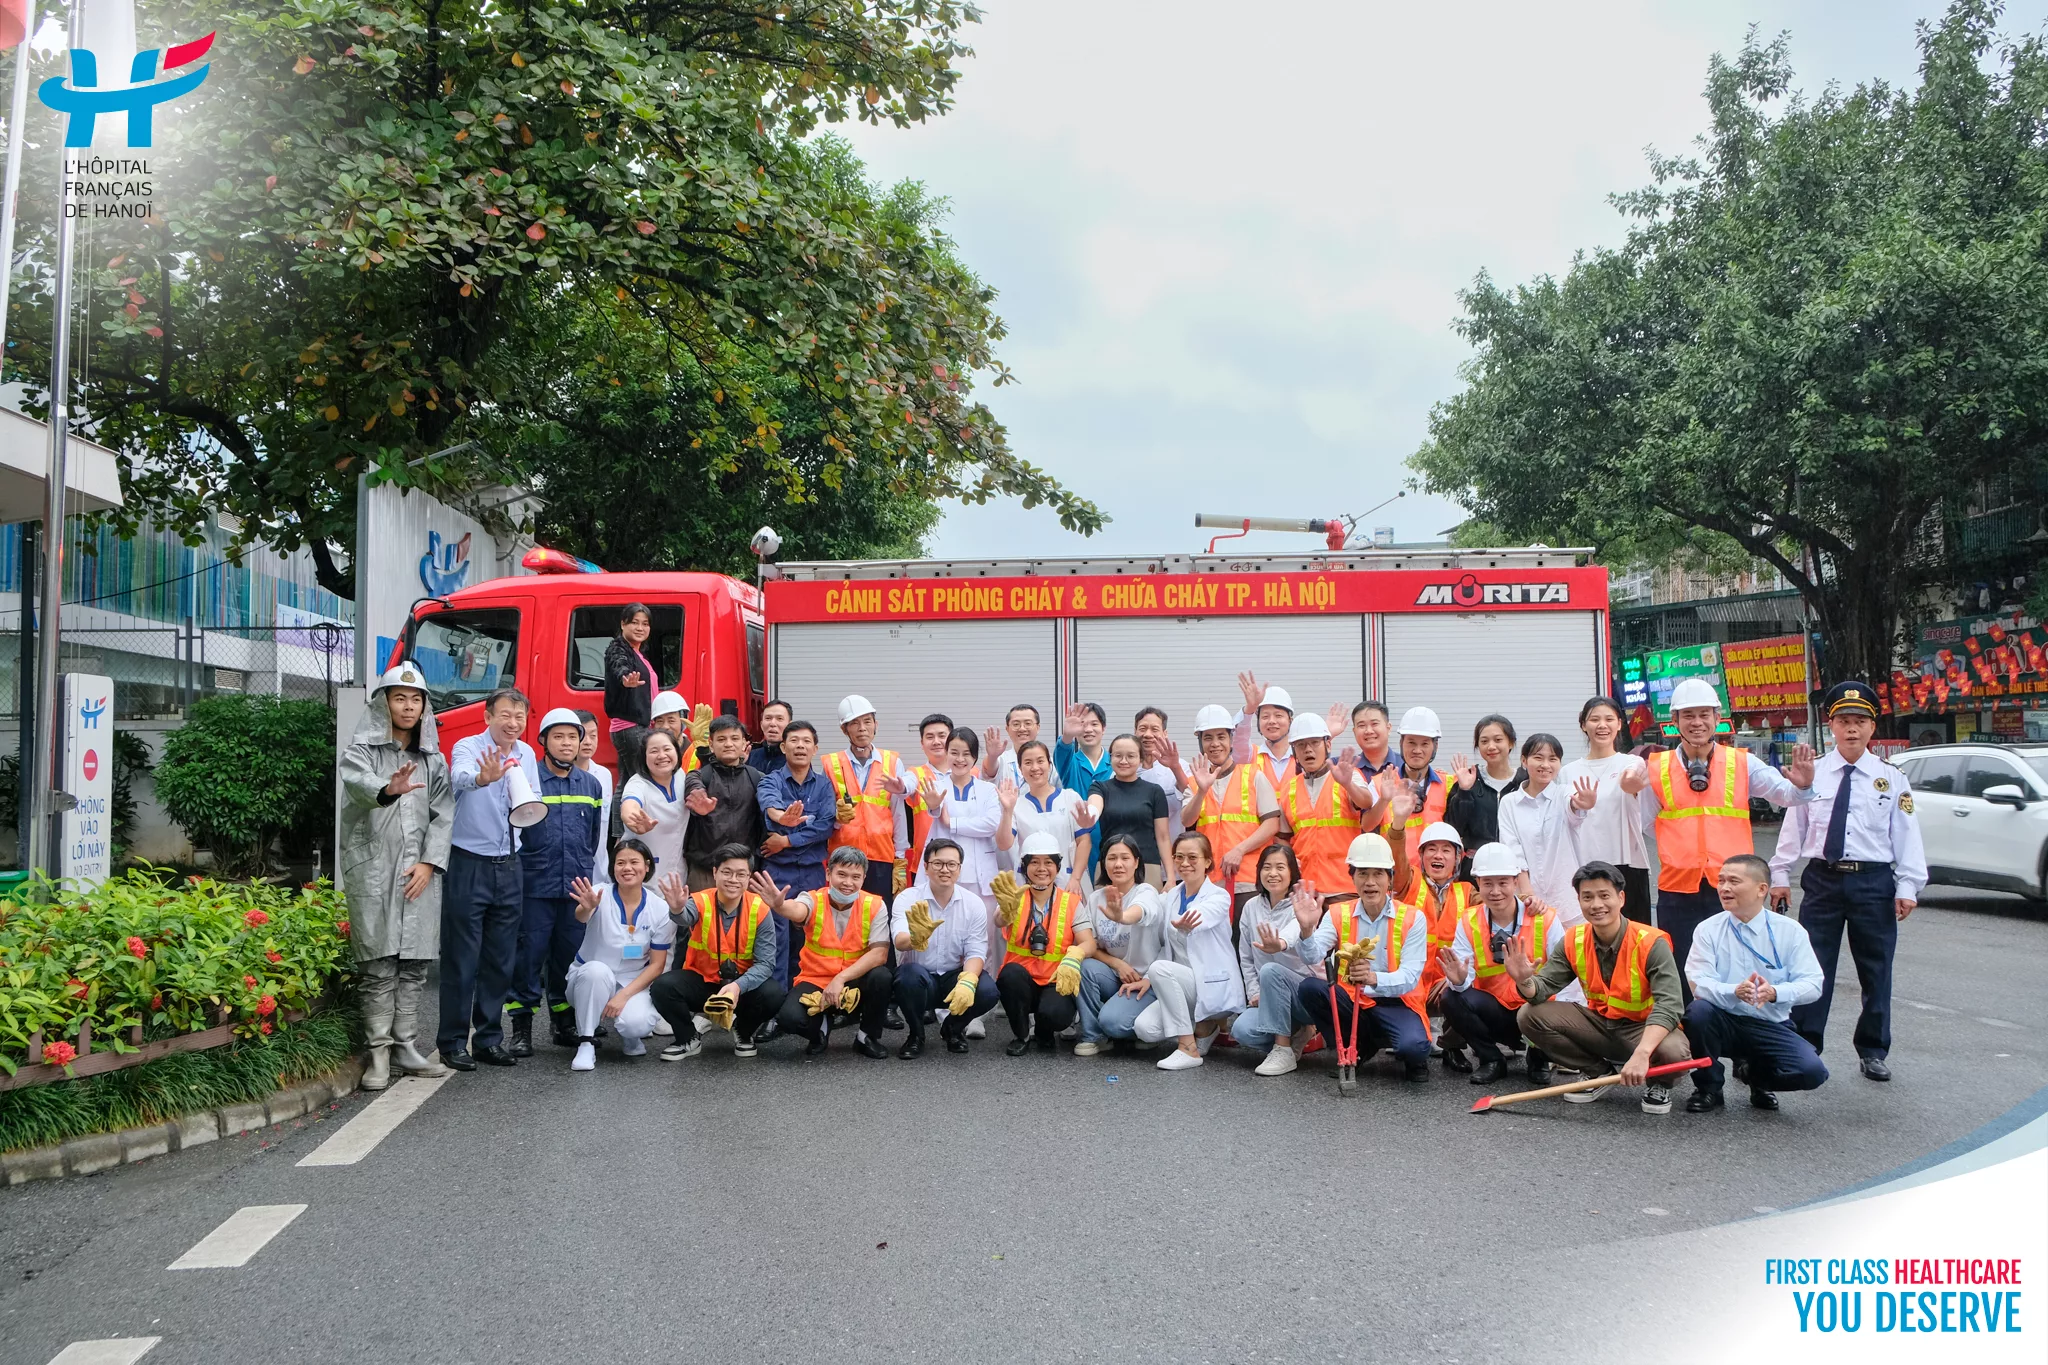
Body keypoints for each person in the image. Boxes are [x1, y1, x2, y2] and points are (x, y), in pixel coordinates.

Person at [1769, 680, 1926, 1084]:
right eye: (1843, 721)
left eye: (1860, 721)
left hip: (1874, 882)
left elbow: (1906, 835)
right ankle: (1806, 1043)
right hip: (1823, 879)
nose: (1851, 729)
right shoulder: (1815, 773)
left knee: (1876, 969)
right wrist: (1780, 873)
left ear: (1872, 727)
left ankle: (1873, 1049)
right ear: (1832, 726)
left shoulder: (1891, 778)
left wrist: (1908, 886)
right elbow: (1795, 826)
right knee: (1812, 964)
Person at [1627, 676, 1815, 986]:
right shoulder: (1656, 767)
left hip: (1733, 887)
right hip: (1678, 889)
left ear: (1717, 718)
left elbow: (1786, 795)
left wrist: (1804, 785)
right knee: (1683, 969)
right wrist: (1680, 848)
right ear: (1674, 721)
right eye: (1688, 715)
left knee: (1739, 967)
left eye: (1704, 714)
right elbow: (1648, 822)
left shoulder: (1742, 763)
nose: (1697, 722)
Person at [339, 662, 453, 1090]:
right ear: (383, 704)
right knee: (378, 965)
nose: (408, 706)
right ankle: (378, 1053)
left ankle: (406, 1046)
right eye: (399, 698)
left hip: (419, 873)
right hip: (374, 871)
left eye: (415, 699)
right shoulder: (361, 752)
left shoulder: (433, 761)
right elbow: (359, 785)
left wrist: (429, 862)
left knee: (415, 965)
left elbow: (444, 814)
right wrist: (389, 789)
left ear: (424, 707)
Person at [1509, 861, 1693, 1114]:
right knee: (1529, 1015)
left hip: (1642, 1029)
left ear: (1621, 898)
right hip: (1599, 1025)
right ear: (1579, 901)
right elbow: (1542, 989)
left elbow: (1670, 1005)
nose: (1596, 905)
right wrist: (1523, 980)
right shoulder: (1574, 939)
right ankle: (1598, 1073)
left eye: (1604, 896)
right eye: (1587, 897)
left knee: (1675, 1052)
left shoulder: (1651, 942)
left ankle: (1659, 1084)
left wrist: (1643, 1052)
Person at [1682, 854, 1829, 1112]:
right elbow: (1698, 982)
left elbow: (1814, 984)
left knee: (1812, 1072)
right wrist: (1734, 991)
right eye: (1721, 881)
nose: (1724, 888)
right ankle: (1709, 1088)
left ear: (1762, 889)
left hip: (1769, 1022)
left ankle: (1757, 1078)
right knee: (1698, 1012)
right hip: (1723, 1019)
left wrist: (1775, 992)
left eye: (1734, 881)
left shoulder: (1790, 931)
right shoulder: (1708, 929)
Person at [439, 688, 535, 1070]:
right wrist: (483, 777)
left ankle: (489, 1040)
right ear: (487, 716)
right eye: (505, 715)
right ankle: (452, 1042)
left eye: (519, 716)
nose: (513, 723)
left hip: (510, 863)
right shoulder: (467, 746)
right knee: (461, 958)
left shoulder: (527, 754)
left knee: (500, 958)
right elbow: (459, 776)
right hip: (469, 863)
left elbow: (533, 800)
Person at [1293, 833, 1433, 1083]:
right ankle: (1357, 1047)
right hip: (1353, 999)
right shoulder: (1337, 913)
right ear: (1352, 878)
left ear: (1390, 879)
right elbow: (1312, 956)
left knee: (1414, 1047)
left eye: (1378, 874)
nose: (1370, 882)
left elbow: (1410, 977)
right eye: (1362, 873)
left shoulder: (1413, 918)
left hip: (1398, 1001)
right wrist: (1305, 930)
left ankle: (1412, 1058)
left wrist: (1373, 978)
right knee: (1310, 989)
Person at [509, 708, 606, 1056]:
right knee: (528, 958)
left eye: (573, 737)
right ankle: (521, 1029)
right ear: (543, 741)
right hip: (535, 885)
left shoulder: (591, 785)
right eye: (558, 736)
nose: (567, 743)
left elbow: (592, 837)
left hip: (575, 888)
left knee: (568, 959)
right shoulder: (527, 780)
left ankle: (564, 1024)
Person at [1435, 841, 1564, 1085]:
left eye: (1503, 883)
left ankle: (1539, 1057)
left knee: (1547, 1006)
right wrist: (1460, 980)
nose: (1495, 891)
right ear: (1478, 883)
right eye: (1487, 883)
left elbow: (1565, 976)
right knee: (1451, 997)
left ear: (1516, 882)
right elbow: (1463, 977)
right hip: (1495, 1011)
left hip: (1537, 1009)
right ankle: (1491, 1060)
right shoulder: (1469, 920)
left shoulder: (1545, 918)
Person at [650, 844, 787, 1060]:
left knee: (774, 994)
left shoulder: (760, 909)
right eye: (727, 872)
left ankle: (743, 1033)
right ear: (715, 873)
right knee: (662, 987)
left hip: (741, 987)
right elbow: (685, 916)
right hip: (703, 982)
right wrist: (676, 909)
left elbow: (766, 964)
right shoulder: (700, 900)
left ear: (748, 877)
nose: (733, 879)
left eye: (740, 874)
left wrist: (737, 987)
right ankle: (687, 1038)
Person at [759, 847, 894, 1058]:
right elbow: (798, 910)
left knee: (882, 976)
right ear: (828, 874)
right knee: (788, 1019)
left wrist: (841, 979)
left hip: (855, 979)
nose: (848, 883)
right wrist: (781, 907)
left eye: (855, 877)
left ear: (864, 878)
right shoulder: (813, 899)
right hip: (815, 979)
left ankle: (866, 1037)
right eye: (842, 874)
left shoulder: (875, 904)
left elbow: (879, 954)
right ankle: (820, 1029)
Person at [563, 839, 673, 1071]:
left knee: (638, 1024)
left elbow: (657, 965)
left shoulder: (659, 908)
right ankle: (586, 1043)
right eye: (620, 863)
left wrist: (623, 996)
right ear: (613, 867)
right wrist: (587, 907)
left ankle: (630, 1036)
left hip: (631, 981)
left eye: (634, 862)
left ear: (646, 867)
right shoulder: (598, 893)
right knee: (596, 971)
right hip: (588, 979)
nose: (627, 868)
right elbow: (581, 916)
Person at [889, 836, 1000, 1057]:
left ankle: (953, 1029)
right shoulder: (907, 898)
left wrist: (968, 981)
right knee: (908, 978)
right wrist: (915, 938)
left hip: (953, 976)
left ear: (959, 869)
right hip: (920, 978)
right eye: (938, 863)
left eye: (951, 864)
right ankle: (916, 1035)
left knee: (988, 991)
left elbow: (976, 950)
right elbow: (899, 942)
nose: (945, 870)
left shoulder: (973, 903)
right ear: (926, 867)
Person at [1141, 833, 1244, 1071]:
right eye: (1179, 857)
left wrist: (1187, 922)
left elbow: (1203, 915)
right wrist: (1121, 915)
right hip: (1182, 985)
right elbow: (1153, 917)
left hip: (1211, 984)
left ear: (1207, 861)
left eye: (1192, 857)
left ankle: (1188, 1048)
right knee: (1146, 1029)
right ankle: (1204, 1028)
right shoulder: (1171, 896)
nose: (1184, 863)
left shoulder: (1219, 896)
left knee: (1160, 969)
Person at [988, 832, 1094, 1054]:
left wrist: (1075, 955)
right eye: (1034, 862)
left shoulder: (1071, 902)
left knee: (1056, 1014)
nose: (1042, 868)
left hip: (1055, 979)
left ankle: (1044, 1032)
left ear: (1057, 867)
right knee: (1009, 975)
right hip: (1021, 980)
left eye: (1048, 862)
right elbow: (999, 921)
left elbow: (1089, 943)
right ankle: (1022, 1035)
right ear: (1024, 866)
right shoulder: (1014, 897)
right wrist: (1006, 910)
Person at [1390, 819, 1479, 1070]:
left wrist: (1526, 901)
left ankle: (1452, 1046)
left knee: (1465, 986)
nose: (1438, 855)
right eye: (1431, 849)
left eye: (1446, 850)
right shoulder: (1408, 882)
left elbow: (1498, 902)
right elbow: (1397, 858)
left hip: (1442, 985)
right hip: (1407, 982)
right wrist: (1397, 826)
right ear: (1421, 856)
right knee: (1412, 1046)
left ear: (1457, 858)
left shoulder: (1467, 892)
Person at [1558, 698, 1652, 922]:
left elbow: (1632, 779)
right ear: (1583, 725)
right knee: (1589, 933)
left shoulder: (1631, 763)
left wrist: (1630, 784)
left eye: (1609, 719)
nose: (1602, 725)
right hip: (1585, 866)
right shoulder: (1567, 772)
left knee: (1633, 933)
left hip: (1628, 864)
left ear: (1619, 724)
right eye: (1594, 719)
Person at [1234, 844, 1324, 1077]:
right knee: (1242, 1030)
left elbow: (1294, 931)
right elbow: (1246, 957)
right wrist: (1254, 992)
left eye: (1280, 867)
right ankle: (1301, 1034)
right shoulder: (1251, 907)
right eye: (1267, 867)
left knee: (1272, 970)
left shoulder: (1304, 903)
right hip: (1269, 996)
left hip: (1304, 993)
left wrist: (1280, 943)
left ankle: (1283, 1049)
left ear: (1292, 872)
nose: (1272, 873)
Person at [758, 720, 837, 985]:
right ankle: (776, 997)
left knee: (811, 933)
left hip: (813, 872)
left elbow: (825, 826)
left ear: (815, 748)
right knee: (776, 936)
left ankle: (806, 991)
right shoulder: (771, 780)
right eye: (794, 740)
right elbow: (769, 805)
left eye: (806, 741)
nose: (800, 746)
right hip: (778, 871)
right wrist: (781, 816)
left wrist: (787, 840)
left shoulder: (824, 786)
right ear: (783, 747)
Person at [1074, 835, 1169, 1055]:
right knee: (1083, 965)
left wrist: (1121, 916)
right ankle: (1093, 1036)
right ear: (1104, 863)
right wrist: (1117, 964)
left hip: (1144, 981)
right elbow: (1090, 944)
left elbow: (1141, 911)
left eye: (1125, 858)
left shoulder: (1146, 892)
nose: (1118, 864)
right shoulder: (1096, 898)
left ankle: (1143, 1026)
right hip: (1115, 976)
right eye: (1112, 858)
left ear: (1136, 862)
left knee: (1113, 1023)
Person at [1272, 714, 1387, 894]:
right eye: (1301, 745)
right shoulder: (1289, 789)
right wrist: (1290, 859)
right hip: (1306, 889)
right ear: (1294, 752)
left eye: (1314, 743)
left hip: (1345, 888)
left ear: (1328, 745)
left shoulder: (1347, 775)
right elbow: (1282, 837)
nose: (1308, 750)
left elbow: (1366, 801)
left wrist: (1347, 784)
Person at [1185, 703, 1281, 913]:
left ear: (1231, 740)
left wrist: (1239, 850)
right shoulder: (1194, 783)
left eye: (1221, 736)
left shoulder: (1254, 775)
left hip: (1249, 881)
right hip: (1208, 883)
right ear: (1200, 742)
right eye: (1208, 738)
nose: (1215, 744)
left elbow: (1272, 824)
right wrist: (1201, 791)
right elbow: (1187, 820)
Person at [822, 695, 912, 899]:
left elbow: (898, 813)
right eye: (854, 723)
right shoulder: (831, 764)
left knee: (880, 913)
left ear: (875, 725)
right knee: (844, 912)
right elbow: (824, 814)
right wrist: (837, 818)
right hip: (843, 859)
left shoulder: (892, 762)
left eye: (867, 721)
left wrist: (900, 858)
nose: (862, 728)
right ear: (844, 729)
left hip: (881, 857)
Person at [993, 738, 1093, 895]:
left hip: (1066, 881)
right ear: (1020, 769)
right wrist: (1007, 810)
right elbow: (1004, 844)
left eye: (1040, 761)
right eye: (1028, 763)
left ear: (1049, 764)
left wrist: (1075, 878)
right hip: (1028, 883)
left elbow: (1084, 841)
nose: (1035, 767)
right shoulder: (1016, 804)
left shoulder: (1070, 797)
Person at [1498, 733, 1581, 920]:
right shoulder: (1509, 803)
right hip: (1528, 901)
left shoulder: (1565, 793)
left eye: (1553, 759)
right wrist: (1527, 893)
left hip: (1568, 900)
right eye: (1538, 757)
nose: (1545, 765)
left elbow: (1576, 807)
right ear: (1524, 761)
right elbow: (1512, 849)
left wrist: (1584, 802)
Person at [682, 716, 764, 893]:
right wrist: (700, 799)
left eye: (734, 738)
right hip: (704, 871)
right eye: (721, 739)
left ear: (744, 743)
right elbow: (693, 786)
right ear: (711, 745)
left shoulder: (757, 778)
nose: (728, 744)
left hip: (744, 872)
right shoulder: (699, 776)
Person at [919, 728, 1004, 898]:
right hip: (945, 869)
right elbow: (935, 812)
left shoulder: (988, 789)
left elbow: (991, 825)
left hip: (979, 874)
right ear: (946, 753)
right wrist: (934, 807)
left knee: (982, 915)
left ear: (974, 757)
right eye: (954, 753)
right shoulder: (936, 787)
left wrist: (952, 823)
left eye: (966, 754)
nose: (959, 759)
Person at [1086, 734, 1171, 888]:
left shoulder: (1154, 791)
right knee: (1107, 904)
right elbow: (1095, 805)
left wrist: (1170, 877)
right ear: (1110, 758)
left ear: (1140, 759)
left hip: (1147, 866)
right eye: (1118, 755)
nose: (1123, 761)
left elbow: (1163, 837)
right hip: (1111, 866)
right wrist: (1090, 814)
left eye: (1130, 756)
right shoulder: (1100, 787)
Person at [1443, 714, 1525, 858]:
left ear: (1511, 742)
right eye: (1484, 741)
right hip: (1476, 865)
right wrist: (1464, 792)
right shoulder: (1469, 780)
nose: (1491, 746)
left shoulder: (1525, 783)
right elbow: (1452, 829)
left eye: (1498, 740)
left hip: (1516, 864)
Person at [619, 729, 687, 887]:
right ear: (643, 756)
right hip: (643, 876)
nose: (662, 756)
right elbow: (629, 805)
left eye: (667, 749)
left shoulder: (680, 776)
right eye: (654, 751)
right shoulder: (637, 784)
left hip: (677, 872)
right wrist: (633, 820)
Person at [896, 711, 957, 885]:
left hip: (960, 862)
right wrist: (899, 786)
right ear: (922, 743)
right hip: (925, 863)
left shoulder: (972, 773)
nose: (936, 741)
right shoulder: (915, 774)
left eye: (942, 736)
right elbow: (905, 785)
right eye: (930, 737)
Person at [602, 603, 658, 787]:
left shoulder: (638, 653)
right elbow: (620, 664)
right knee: (645, 780)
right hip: (631, 727)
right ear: (623, 624)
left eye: (645, 624)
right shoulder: (618, 648)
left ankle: (619, 809)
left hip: (635, 727)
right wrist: (625, 678)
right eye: (635, 622)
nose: (640, 628)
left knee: (627, 783)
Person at [1390, 706, 1449, 844]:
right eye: (1411, 743)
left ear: (1435, 746)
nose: (1417, 750)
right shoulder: (1380, 784)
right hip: (1393, 858)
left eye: (1424, 744)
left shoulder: (1450, 785)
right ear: (1401, 743)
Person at [1133, 706, 1189, 841]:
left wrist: (1175, 767)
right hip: (1135, 847)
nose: (1148, 734)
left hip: (1172, 846)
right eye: (1142, 729)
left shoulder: (1180, 766)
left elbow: (1190, 794)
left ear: (1165, 733)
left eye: (1154, 729)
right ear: (1135, 732)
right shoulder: (1125, 768)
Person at [1231, 676, 1295, 787]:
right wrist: (1250, 709)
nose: (1272, 721)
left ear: (1290, 720)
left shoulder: (1301, 756)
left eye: (1278, 715)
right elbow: (1238, 739)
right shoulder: (1249, 756)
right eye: (1265, 716)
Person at [575, 711, 615, 887]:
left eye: (593, 735)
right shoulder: (558, 776)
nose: (588, 742)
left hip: (599, 874)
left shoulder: (604, 775)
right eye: (582, 735)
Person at [1054, 701, 1114, 802]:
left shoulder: (1115, 762)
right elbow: (1062, 751)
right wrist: (1067, 735)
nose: (1088, 729)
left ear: (1103, 728)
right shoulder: (1069, 764)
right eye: (1082, 724)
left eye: (1094, 724)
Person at [981, 702, 1042, 787]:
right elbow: (990, 772)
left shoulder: (1049, 762)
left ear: (1038, 728)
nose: (1022, 729)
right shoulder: (1001, 760)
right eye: (1016, 724)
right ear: (1007, 729)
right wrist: (992, 757)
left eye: (1028, 723)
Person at [748, 699, 792, 776]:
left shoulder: (794, 758)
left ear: (790, 725)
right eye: (768, 718)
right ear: (761, 725)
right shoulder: (751, 756)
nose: (772, 723)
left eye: (779, 719)